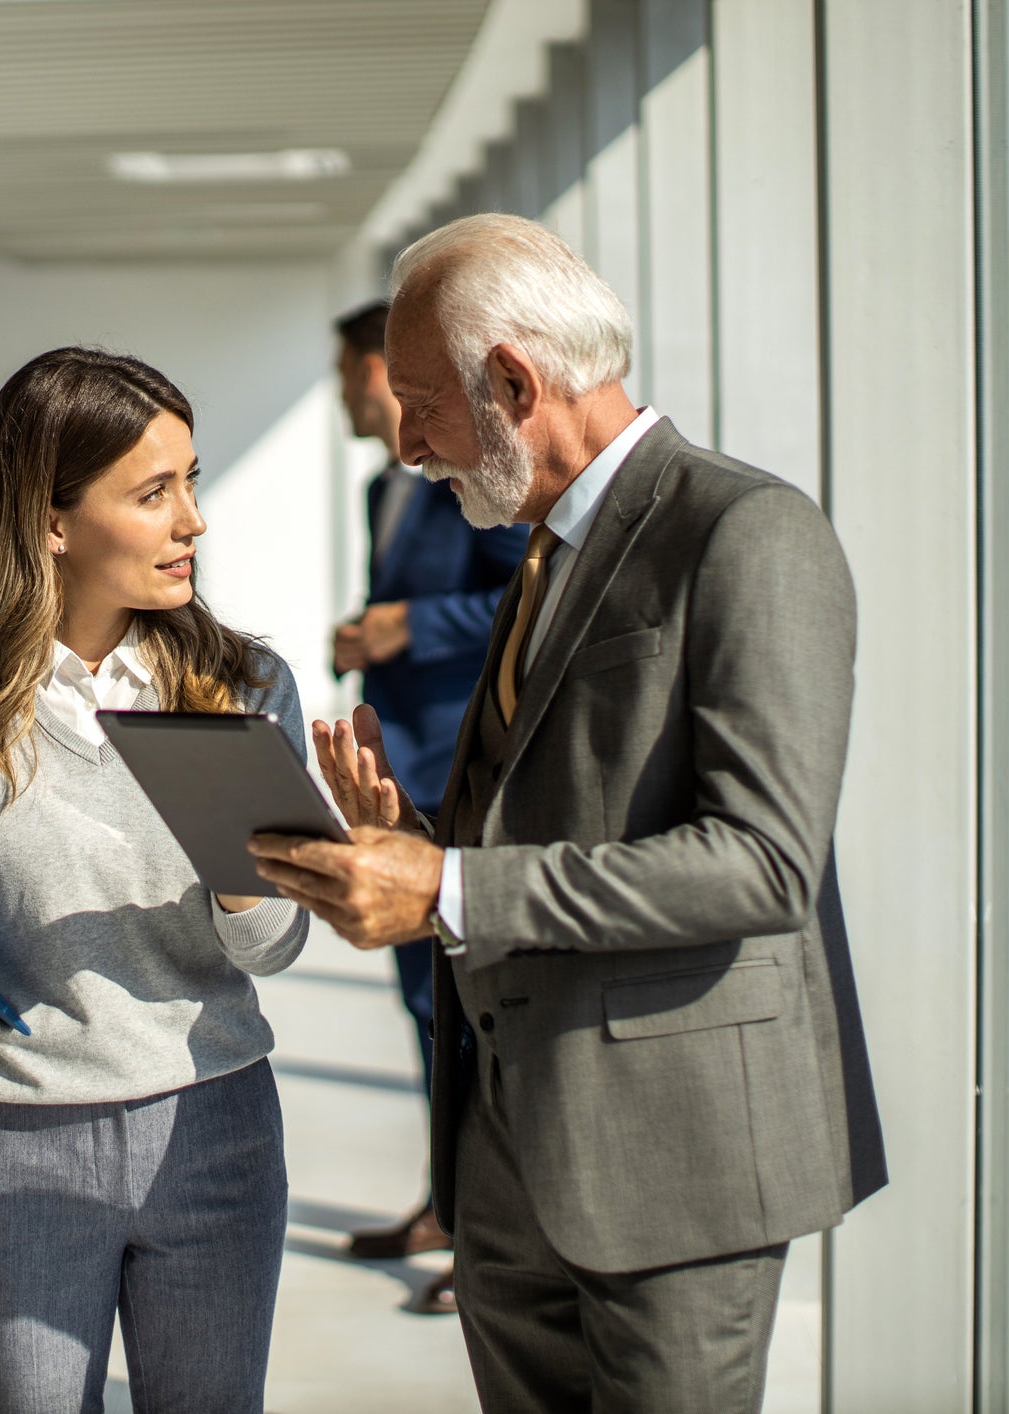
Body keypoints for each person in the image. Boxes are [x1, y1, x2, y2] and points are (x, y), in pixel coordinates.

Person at [250, 214, 887, 1413]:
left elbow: (762, 865)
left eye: (420, 400)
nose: (407, 439)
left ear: (514, 381)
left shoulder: (746, 533)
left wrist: (446, 889)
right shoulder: (546, 549)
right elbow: (566, 817)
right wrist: (416, 843)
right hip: (512, 1164)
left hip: (673, 1169)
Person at [0, 347, 309, 1414]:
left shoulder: (243, 684)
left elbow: (273, 946)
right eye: (154, 492)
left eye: (192, 479)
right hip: (15, 1144)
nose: (194, 519)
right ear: (52, 521)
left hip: (214, 1126)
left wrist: (247, 856)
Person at [328, 299, 525, 1310]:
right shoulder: (381, 492)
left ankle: (486, 1233)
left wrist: (409, 627)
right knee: (420, 1005)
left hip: (462, 776)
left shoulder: (478, 492)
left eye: (354, 373)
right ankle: (448, 1203)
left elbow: (523, 597)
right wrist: (365, 638)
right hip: (399, 778)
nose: (347, 395)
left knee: (470, 1013)